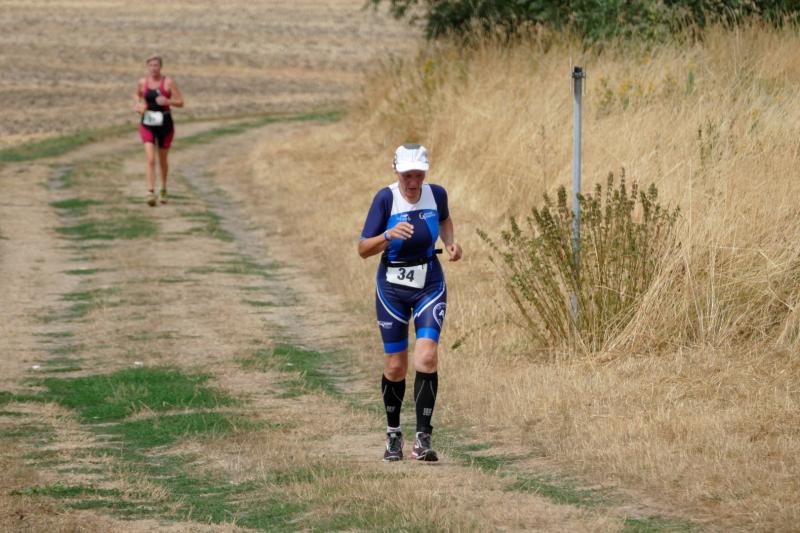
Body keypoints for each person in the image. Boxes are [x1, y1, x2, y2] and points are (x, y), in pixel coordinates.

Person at [358, 144, 463, 462]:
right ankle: (393, 435)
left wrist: (450, 243)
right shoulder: (386, 199)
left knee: (427, 357)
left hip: (429, 282)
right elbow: (363, 249)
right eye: (407, 176)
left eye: (419, 175)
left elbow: (445, 220)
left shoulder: (437, 194)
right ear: (396, 171)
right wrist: (388, 235)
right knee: (396, 366)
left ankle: (423, 438)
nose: (414, 182)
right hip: (392, 288)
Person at [134, 55, 183, 206]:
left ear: (160, 67)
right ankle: (150, 193)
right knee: (150, 159)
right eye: (151, 65)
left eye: (156, 65)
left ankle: (163, 189)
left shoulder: (168, 82)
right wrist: (138, 104)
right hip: (147, 122)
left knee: (162, 160)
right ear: (147, 67)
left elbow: (181, 102)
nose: (153, 68)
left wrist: (168, 101)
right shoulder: (143, 82)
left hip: (165, 124)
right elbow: (137, 94)